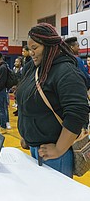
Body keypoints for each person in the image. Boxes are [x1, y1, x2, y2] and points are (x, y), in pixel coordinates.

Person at [16, 23, 89, 178]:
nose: (31, 53)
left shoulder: (66, 71)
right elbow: (25, 103)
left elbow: (77, 113)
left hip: (55, 155)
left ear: (49, 46)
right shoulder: (32, 68)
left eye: (35, 48)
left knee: (56, 200)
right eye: (29, 49)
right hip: (35, 148)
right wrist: (26, 134)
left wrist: (59, 149)